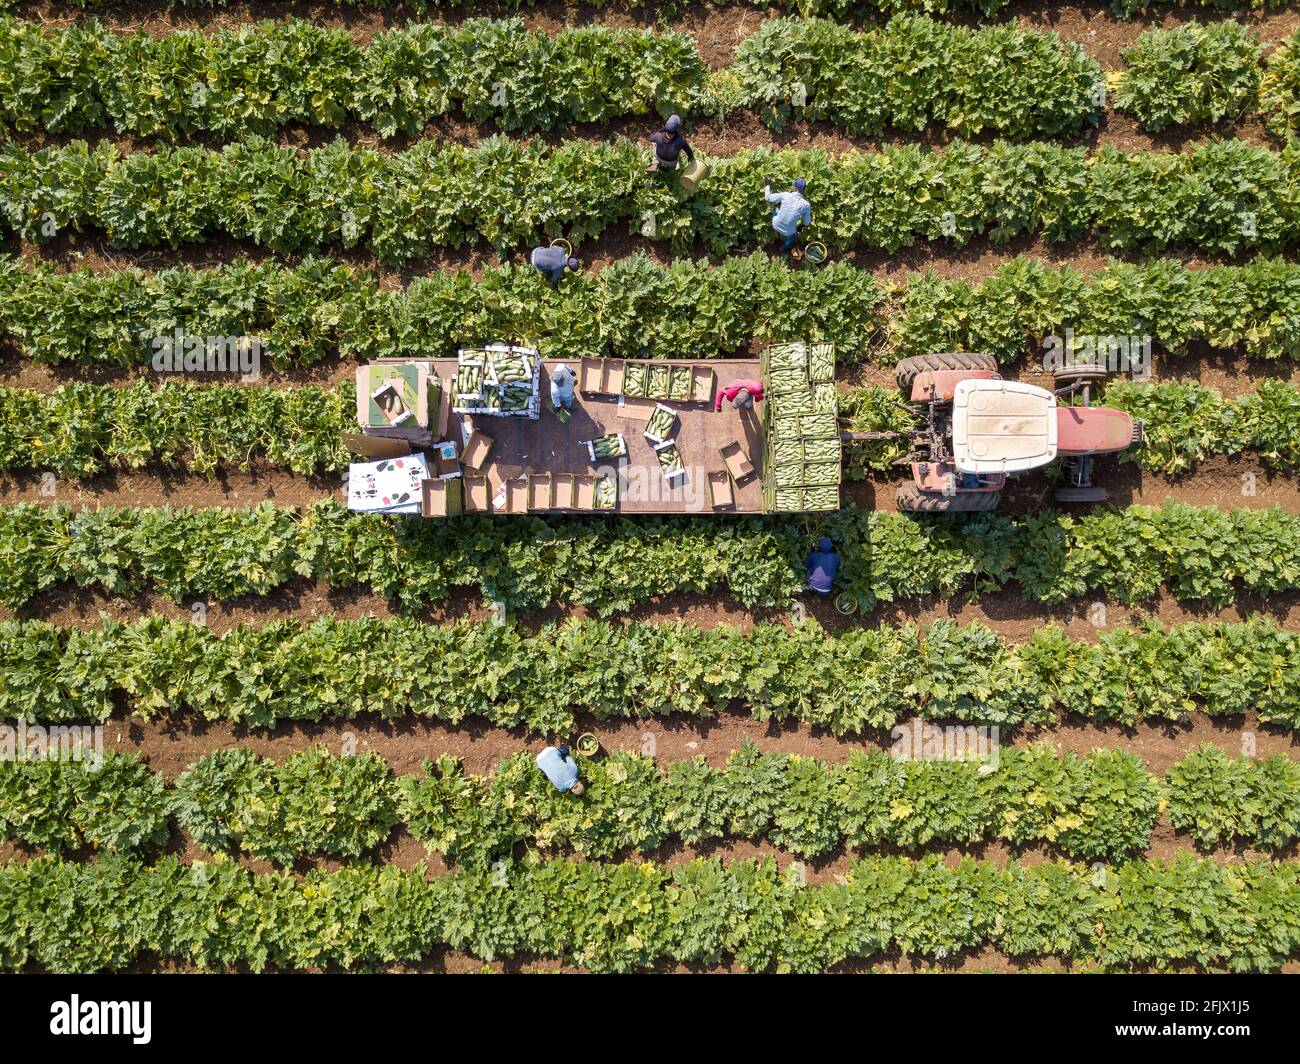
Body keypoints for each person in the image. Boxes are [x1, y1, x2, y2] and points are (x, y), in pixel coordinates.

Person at [764, 177, 811, 253]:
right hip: (789, 232)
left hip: (775, 224)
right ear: (805, 189)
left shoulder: (785, 195)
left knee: (774, 209)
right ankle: (784, 248)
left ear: (794, 187)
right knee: (793, 237)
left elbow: (768, 198)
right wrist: (800, 225)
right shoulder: (806, 205)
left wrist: (767, 184)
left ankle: (770, 226)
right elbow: (807, 222)